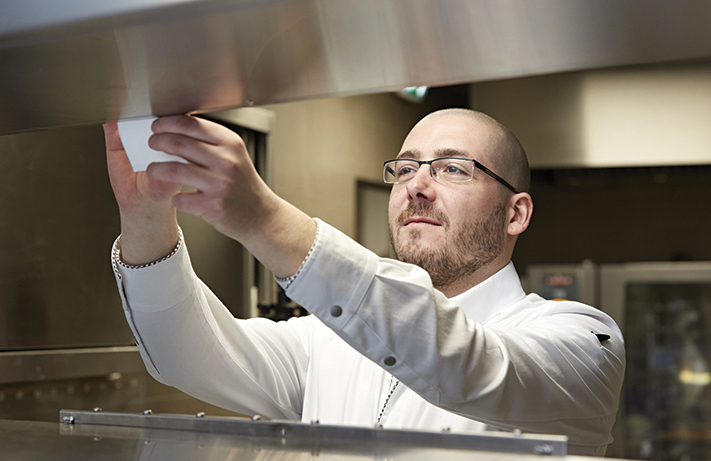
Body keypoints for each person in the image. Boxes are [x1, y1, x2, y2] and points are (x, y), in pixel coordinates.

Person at [104, 108, 625, 456]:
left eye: (453, 169)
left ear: (516, 213)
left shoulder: (580, 341)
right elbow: (185, 355)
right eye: (405, 169)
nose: (417, 186)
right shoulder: (329, 342)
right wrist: (145, 213)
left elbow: (468, 364)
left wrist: (266, 220)